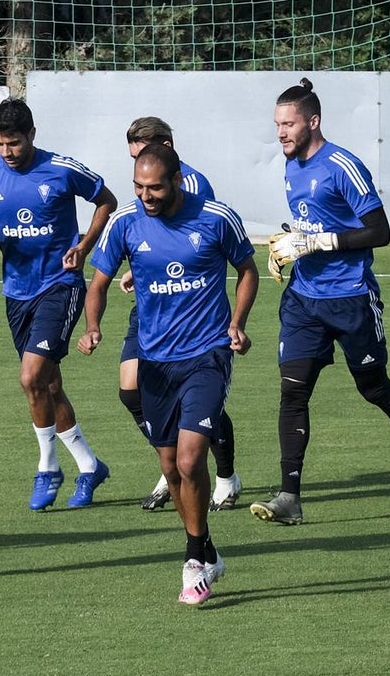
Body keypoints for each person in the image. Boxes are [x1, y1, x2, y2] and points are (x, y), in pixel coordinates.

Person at [252, 78, 390, 525]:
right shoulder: (291, 163)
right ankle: (289, 497)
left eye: (289, 124)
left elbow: (380, 232)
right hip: (304, 300)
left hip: (351, 298)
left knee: (373, 387)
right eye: (277, 124)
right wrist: (289, 245)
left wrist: (317, 244)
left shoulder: (342, 165)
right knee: (293, 392)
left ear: (313, 121)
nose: (281, 132)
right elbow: (308, 224)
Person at [79, 143, 258, 605]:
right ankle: (208, 549)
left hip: (207, 355)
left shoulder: (216, 217)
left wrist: (237, 323)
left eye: (155, 187)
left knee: (188, 459)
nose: (146, 195)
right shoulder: (126, 225)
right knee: (169, 468)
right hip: (155, 362)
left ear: (177, 179)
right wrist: (93, 327)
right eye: (139, 187)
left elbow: (247, 270)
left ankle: (193, 561)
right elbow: (97, 283)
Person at [0, 98, 118, 510]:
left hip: (60, 286)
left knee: (30, 377)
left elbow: (107, 200)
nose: (6, 152)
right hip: (16, 292)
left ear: (31, 134)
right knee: (48, 385)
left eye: (13, 143)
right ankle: (88, 465)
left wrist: (84, 246)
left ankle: (48, 467)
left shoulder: (62, 170)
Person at [120, 118, 242, 512]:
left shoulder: (195, 189)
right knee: (128, 389)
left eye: (146, 153)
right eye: (135, 159)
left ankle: (220, 471)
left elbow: (189, 244)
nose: (144, 190)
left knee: (200, 406)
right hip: (152, 308)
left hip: (192, 319)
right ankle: (169, 455)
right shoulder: (139, 200)